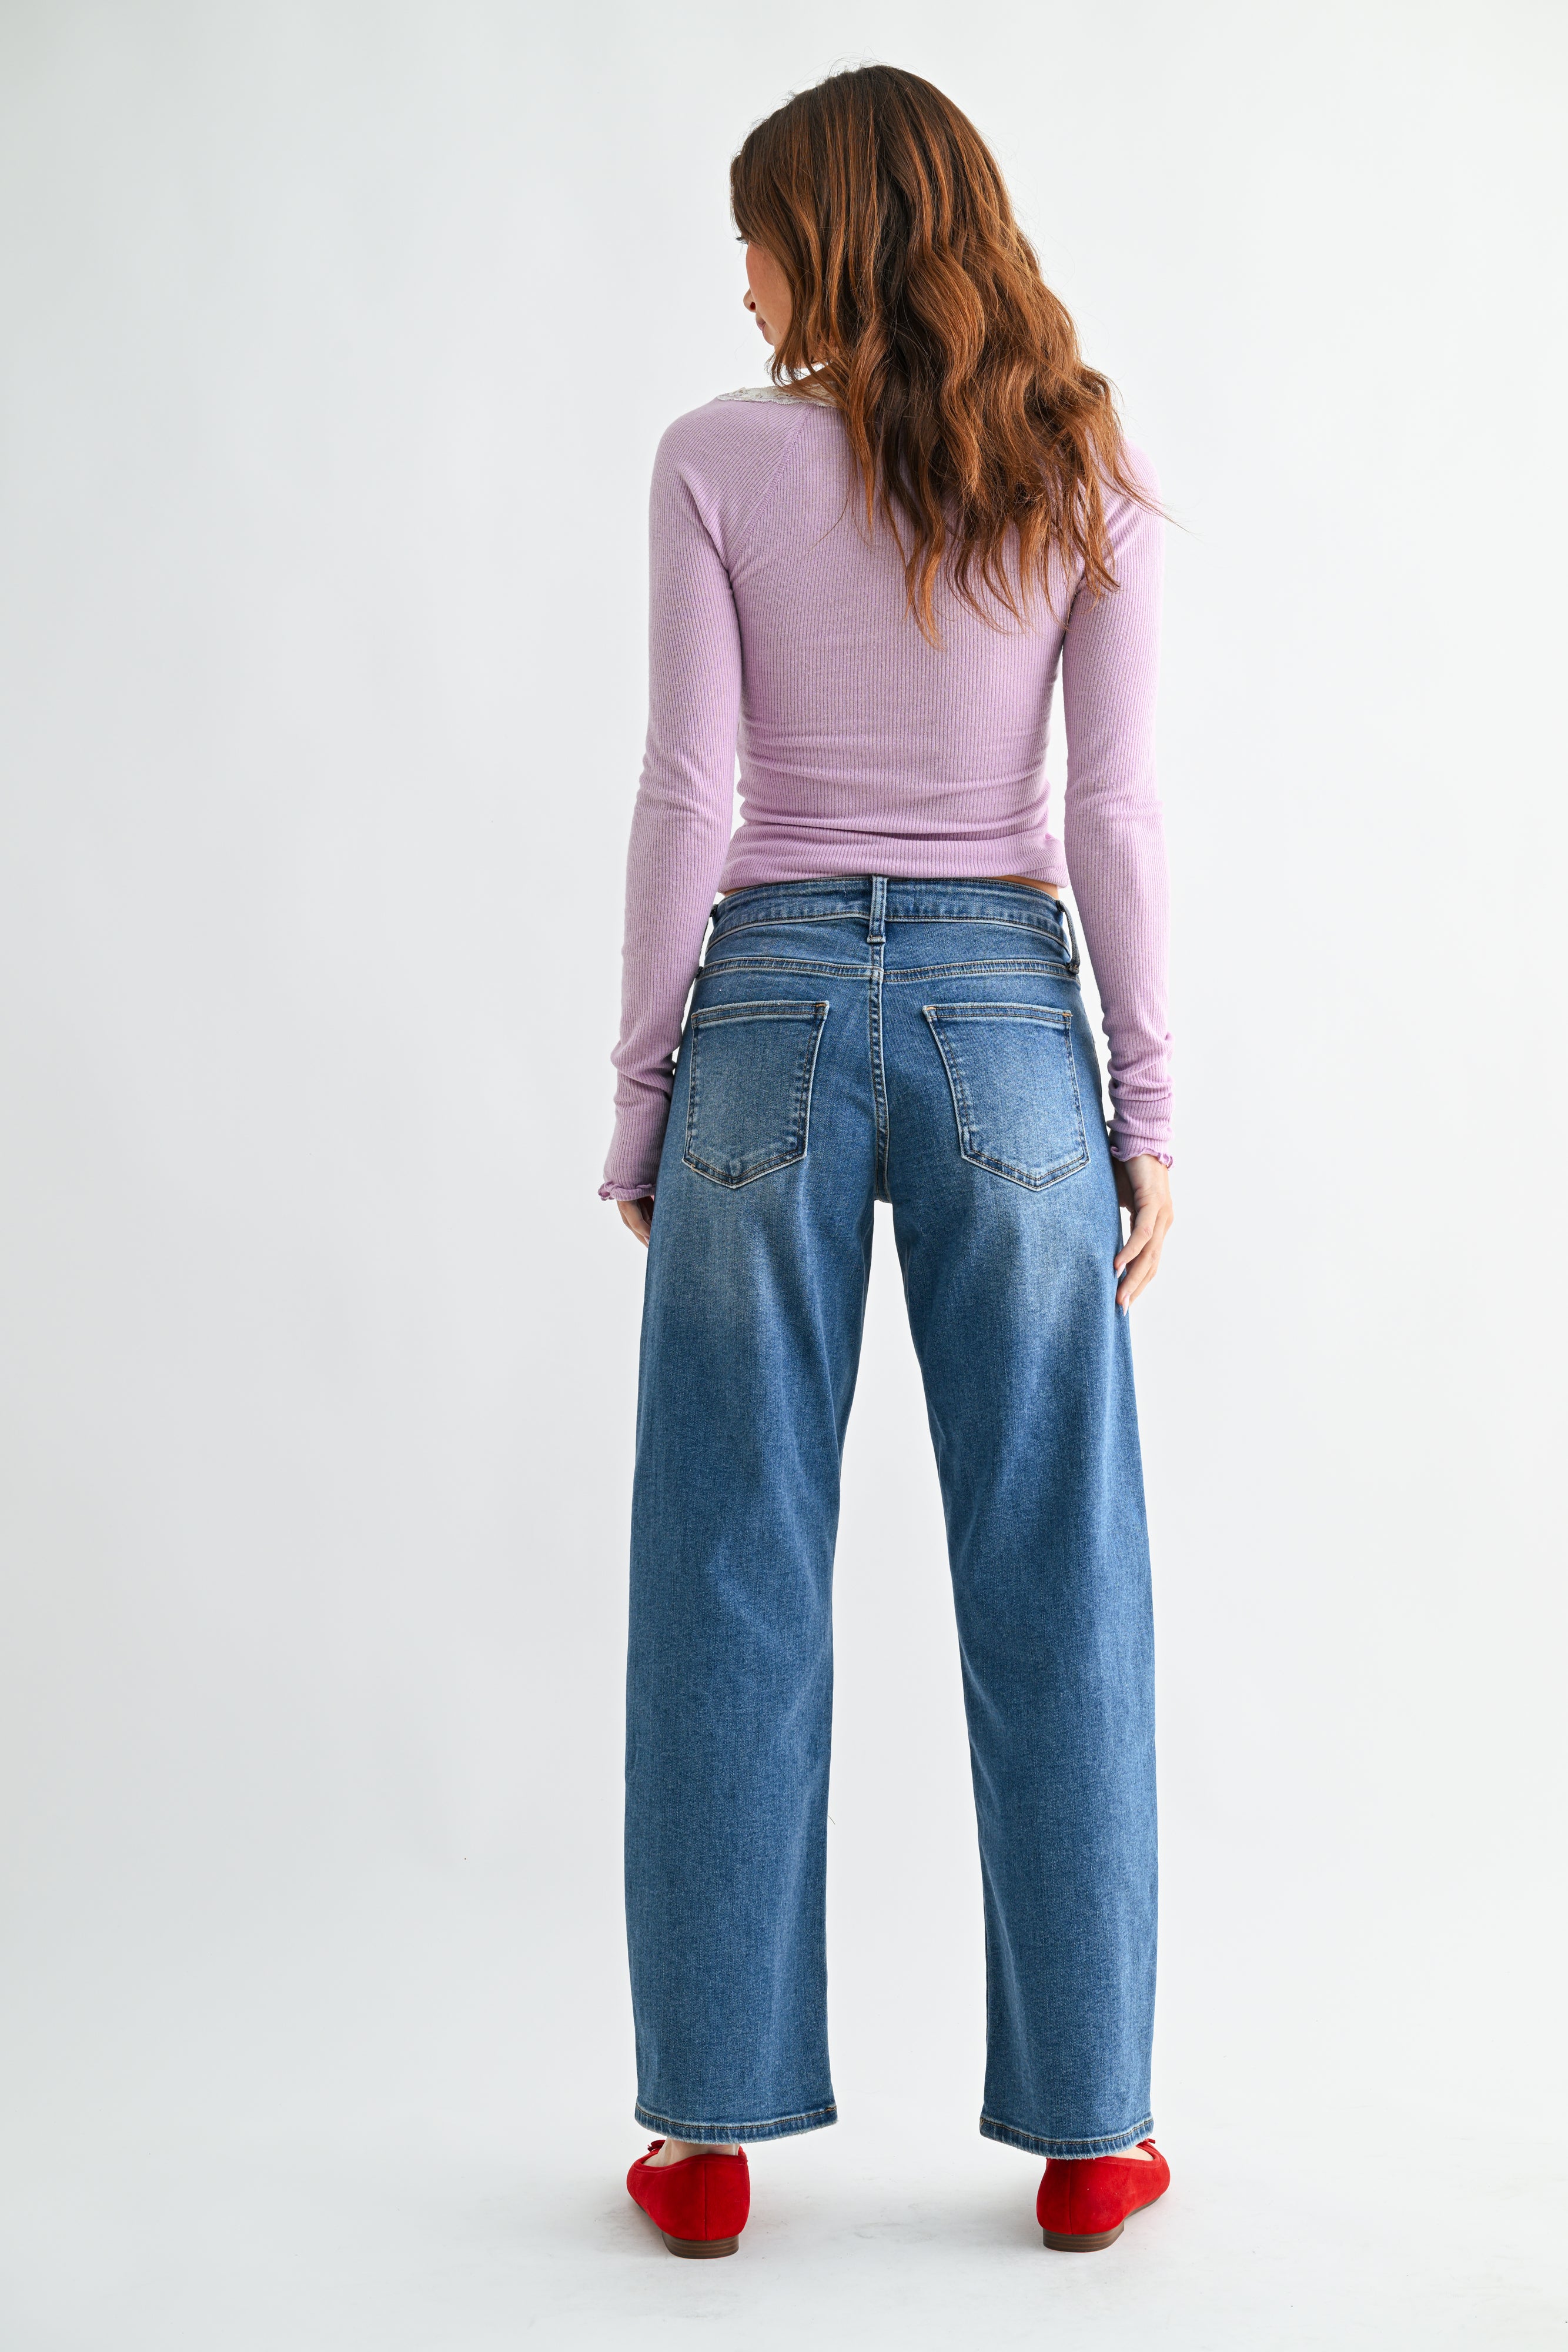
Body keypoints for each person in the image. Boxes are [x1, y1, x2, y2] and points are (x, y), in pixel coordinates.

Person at [601, 63, 1175, 2260]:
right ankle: (1097, 2128)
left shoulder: (711, 462)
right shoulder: (1073, 459)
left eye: (752, 227)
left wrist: (644, 1088)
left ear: (826, 236)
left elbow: (686, 796)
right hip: (1009, 1028)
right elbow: (1109, 819)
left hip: (759, 1023)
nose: (734, 271)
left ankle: (708, 2130)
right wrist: (1144, 1109)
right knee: (1059, 1567)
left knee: (729, 1567)